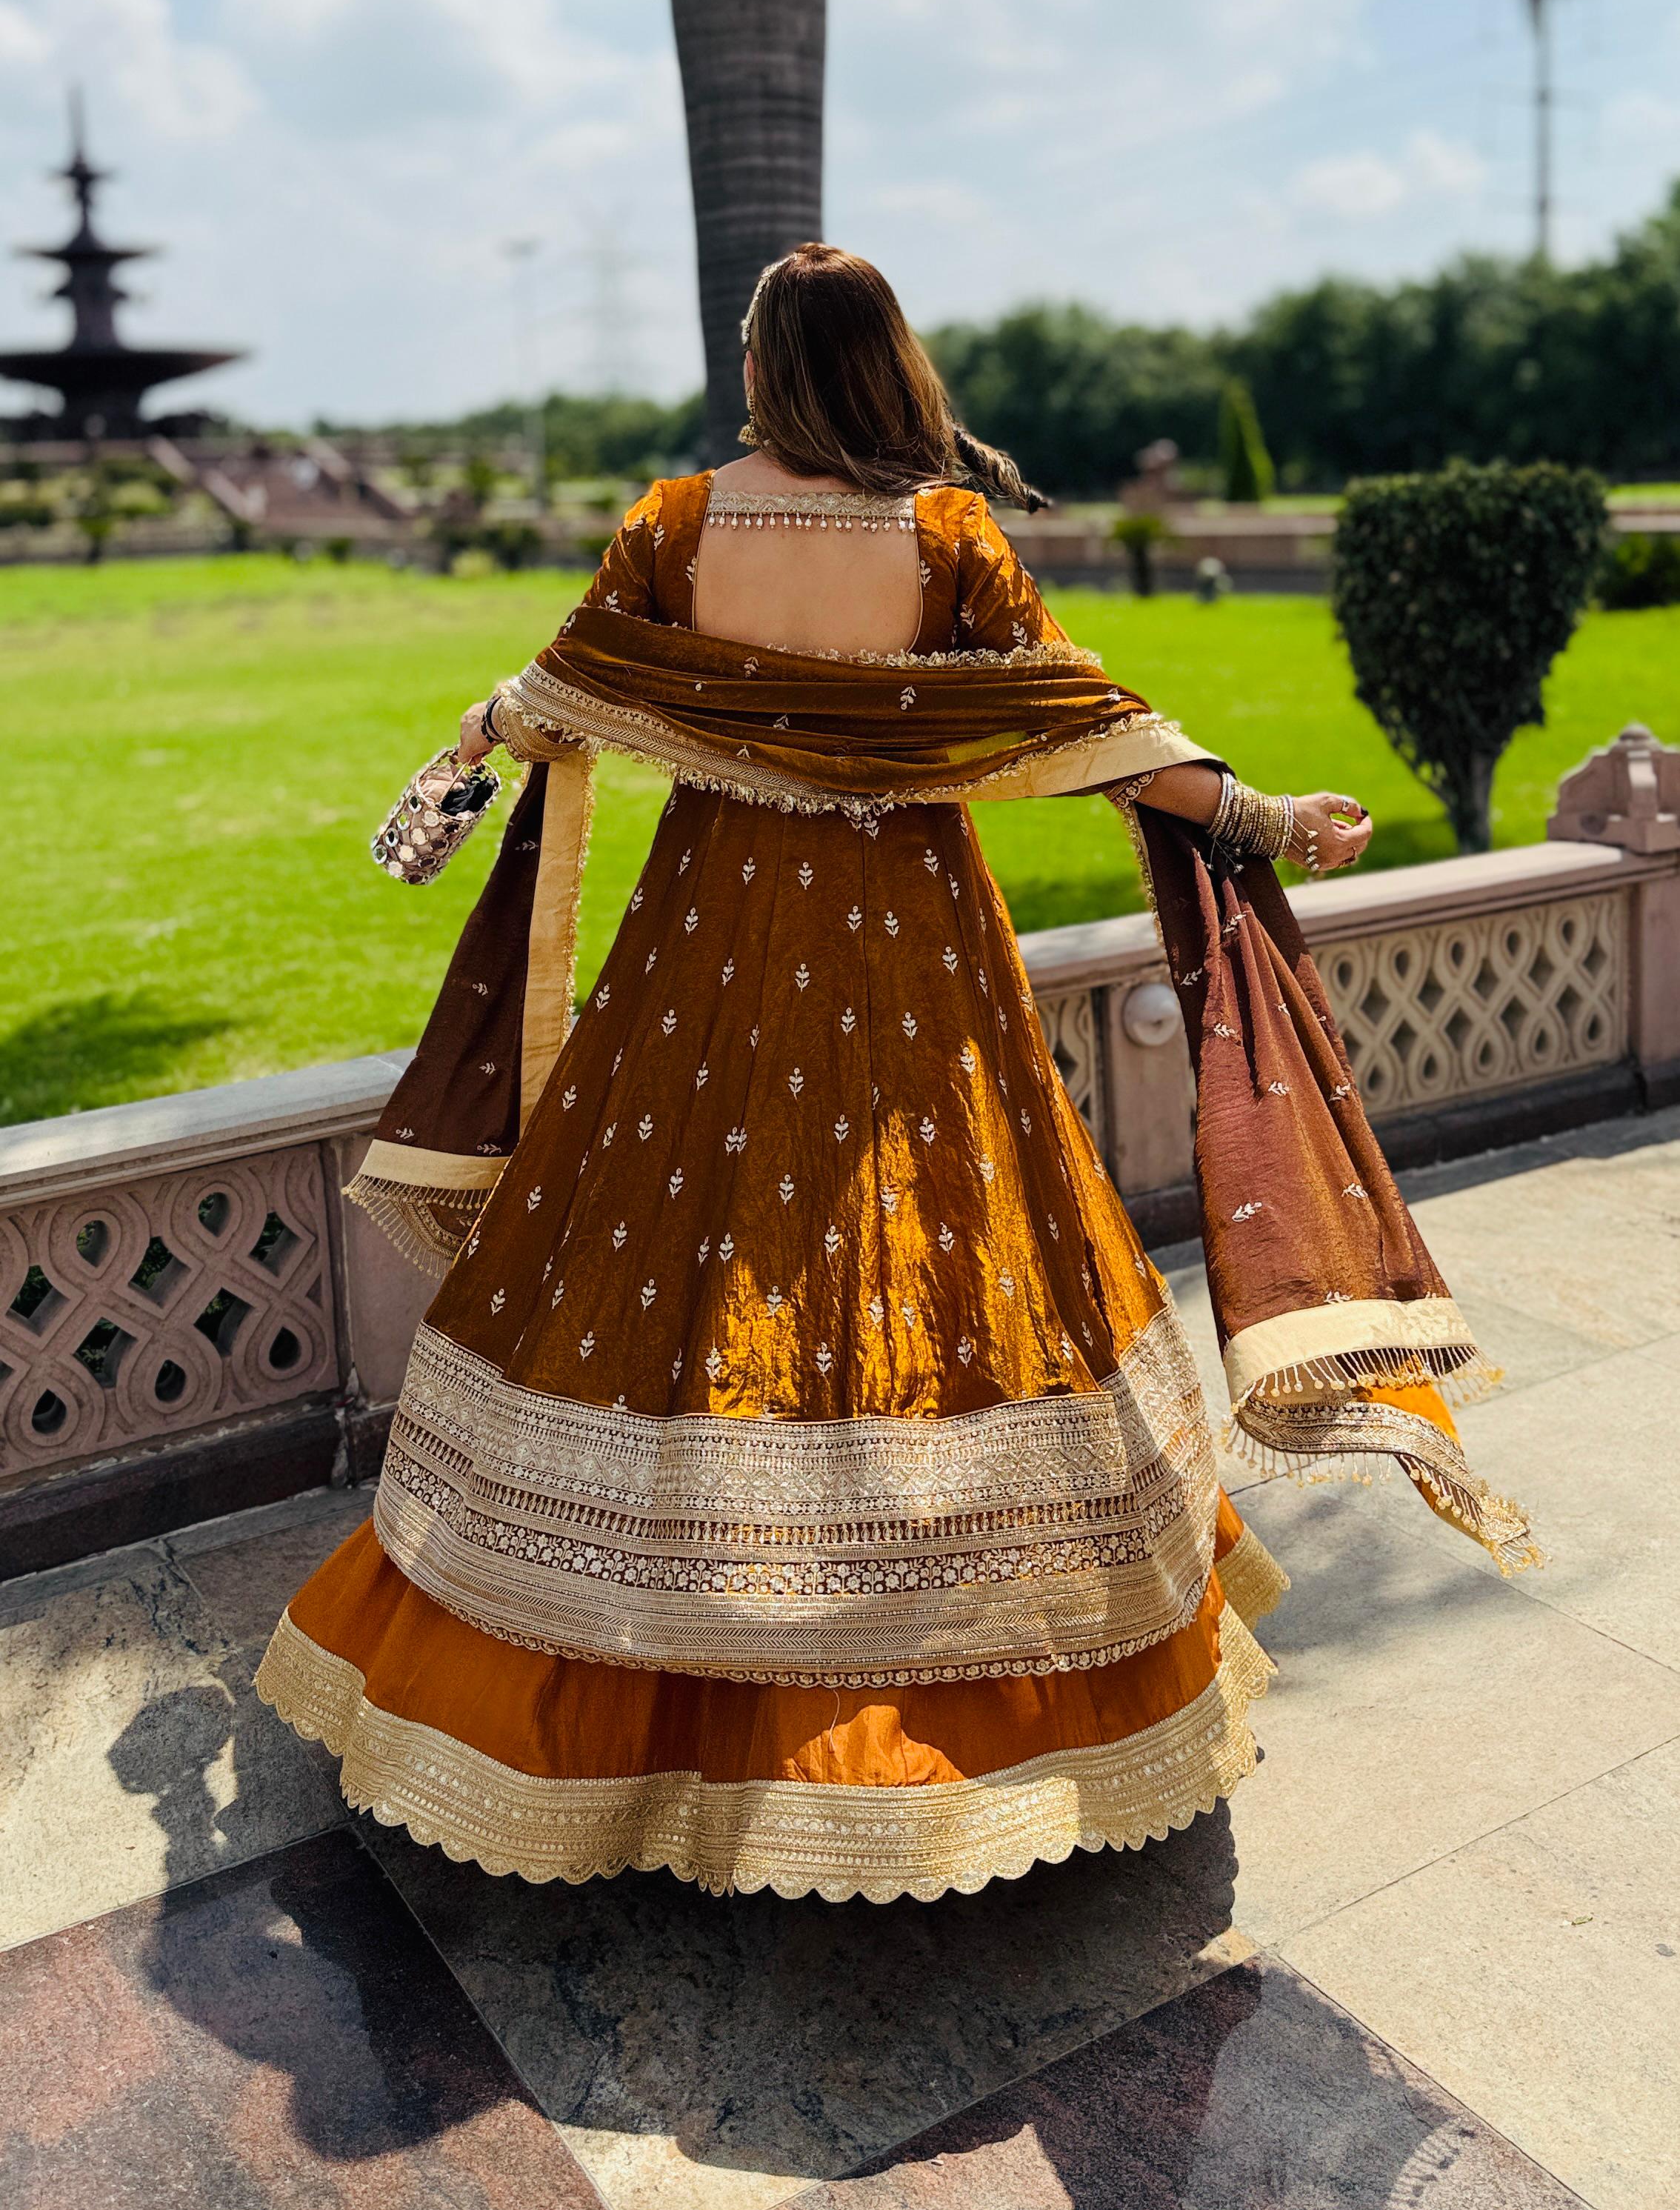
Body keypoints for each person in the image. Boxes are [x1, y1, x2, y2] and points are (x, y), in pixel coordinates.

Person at [259, 243, 1531, 1902]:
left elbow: (559, 687)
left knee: (665, 1251)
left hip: (704, 960)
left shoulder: (676, 527)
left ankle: (631, 1691)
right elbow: (1090, 726)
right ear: (889, 365)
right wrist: (1259, 818)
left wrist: (457, 769)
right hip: (912, 951)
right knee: (959, 1252)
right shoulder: (942, 540)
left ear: (771, 365)